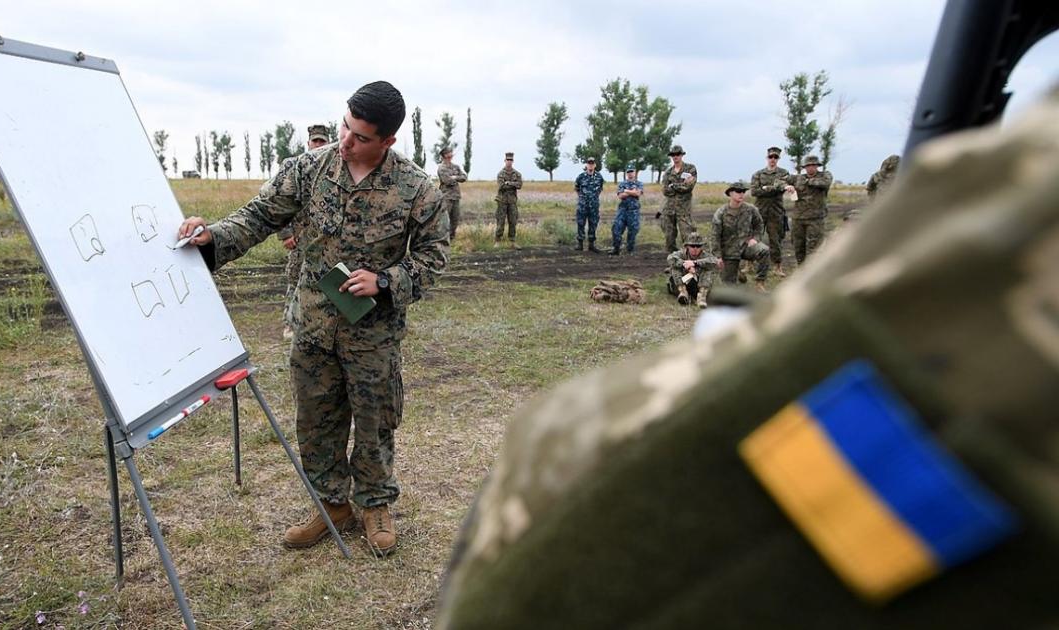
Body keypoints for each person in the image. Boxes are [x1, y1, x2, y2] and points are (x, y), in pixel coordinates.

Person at [436, 79, 1059, 630]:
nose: (684, 166)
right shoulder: (746, 191)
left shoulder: (778, 193)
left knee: (759, 258)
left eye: (685, 160)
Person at [177, 81, 448, 557]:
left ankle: (375, 504)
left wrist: (385, 281)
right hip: (314, 325)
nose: (346, 141)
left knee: (374, 420)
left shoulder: (416, 190)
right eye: (345, 126)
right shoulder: (309, 169)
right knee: (316, 419)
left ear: (388, 141)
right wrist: (211, 237)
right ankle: (331, 505)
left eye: (361, 137)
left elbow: (432, 257)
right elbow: (261, 215)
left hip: (373, 335)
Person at [277, 124, 333, 339]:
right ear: (308, 143)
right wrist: (285, 234)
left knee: (328, 279)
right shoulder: (294, 168)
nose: (318, 145)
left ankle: (321, 323)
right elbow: (279, 204)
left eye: (322, 141)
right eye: (315, 141)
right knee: (296, 279)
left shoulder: (334, 169)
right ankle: (290, 323)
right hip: (300, 237)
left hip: (326, 239)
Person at [710, 180, 769, 291]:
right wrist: (717, 257)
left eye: (743, 191)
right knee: (729, 286)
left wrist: (755, 239)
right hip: (729, 251)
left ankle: (760, 283)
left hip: (746, 246)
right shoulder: (721, 212)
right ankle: (737, 272)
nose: (741, 194)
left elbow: (759, 225)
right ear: (730, 194)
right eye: (738, 191)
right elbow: (715, 236)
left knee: (764, 250)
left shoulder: (751, 209)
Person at [750, 146, 792, 276]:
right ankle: (749, 264)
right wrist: (772, 188)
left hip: (776, 212)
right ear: (767, 158)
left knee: (776, 240)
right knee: (753, 238)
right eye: (770, 157)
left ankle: (777, 267)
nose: (773, 159)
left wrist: (765, 188)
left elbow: (782, 187)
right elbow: (754, 191)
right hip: (760, 212)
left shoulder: (783, 173)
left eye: (775, 157)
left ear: (778, 159)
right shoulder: (758, 174)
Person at [787, 155, 833, 265]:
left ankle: (811, 271)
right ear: (804, 167)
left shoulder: (825, 175)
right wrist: (787, 187)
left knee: (814, 247)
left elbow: (825, 183)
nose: (811, 168)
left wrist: (807, 181)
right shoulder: (797, 178)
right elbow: (779, 181)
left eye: (813, 165)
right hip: (798, 218)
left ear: (817, 166)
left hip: (815, 219)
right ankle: (801, 269)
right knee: (798, 246)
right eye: (808, 166)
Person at [658, 145, 697, 253]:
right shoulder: (668, 172)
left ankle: (689, 262)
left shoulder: (690, 169)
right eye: (673, 155)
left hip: (683, 210)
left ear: (681, 155)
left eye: (678, 154)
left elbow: (689, 187)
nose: (675, 157)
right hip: (669, 210)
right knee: (669, 238)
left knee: (688, 236)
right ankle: (673, 262)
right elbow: (665, 191)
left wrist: (673, 185)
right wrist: (680, 185)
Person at [666, 231, 717, 308]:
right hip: (681, 283)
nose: (695, 249)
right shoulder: (681, 254)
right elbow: (670, 258)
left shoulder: (705, 255)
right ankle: (683, 292)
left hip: (698, 284)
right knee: (675, 267)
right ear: (687, 246)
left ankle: (702, 296)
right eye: (692, 246)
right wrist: (685, 264)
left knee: (708, 270)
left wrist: (695, 263)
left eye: (698, 246)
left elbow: (713, 262)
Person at [609, 165, 644, 256]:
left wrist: (626, 191)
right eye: (628, 172)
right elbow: (620, 196)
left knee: (633, 231)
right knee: (616, 228)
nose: (630, 174)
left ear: (635, 172)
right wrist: (632, 191)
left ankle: (630, 250)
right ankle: (616, 249)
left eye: (632, 171)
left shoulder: (639, 183)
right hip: (622, 210)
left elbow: (638, 193)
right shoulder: (622, 183)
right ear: (626, 173)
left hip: (634, 211)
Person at [574, 157, 605, 252]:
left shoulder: (599, 177)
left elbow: (600, 189)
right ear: (586, 165)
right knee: (580, 223)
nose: (590, 165)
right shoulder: (581, 176)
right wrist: (583, 198)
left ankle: (591, 245)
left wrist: (593, 198)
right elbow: (576, 188)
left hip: (594, 206)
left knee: (593, 223)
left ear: (595, 165)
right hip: (582, 205)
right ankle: (580, 245)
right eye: (589, 163)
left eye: (592, 163)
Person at [437, 147, 468, 241]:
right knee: (445, 220)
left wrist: (454, 177)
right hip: (446, 197)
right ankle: (444, 239)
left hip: (456, 197)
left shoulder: (456, 167)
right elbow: (446, 181)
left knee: (455, 219)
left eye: (451, 153)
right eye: (448, 153)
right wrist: (456, 178)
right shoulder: (441, 168)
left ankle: (452, 238)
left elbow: (464, 177)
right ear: (444, 155)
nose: (450, 155)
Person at [495, 152, 523, 248]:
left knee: (513, 221)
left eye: (511, 160)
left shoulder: (517, 174)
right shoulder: (500, 174)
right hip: (502, 201)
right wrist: (512, 184)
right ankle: (498, 240)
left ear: (513, 161)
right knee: (500, 221)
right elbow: (501, 186)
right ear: (505, 161)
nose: (509, 162)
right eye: (508, 160)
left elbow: (519, 185)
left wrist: (508, 183)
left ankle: (512, 241)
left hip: (512, 201)